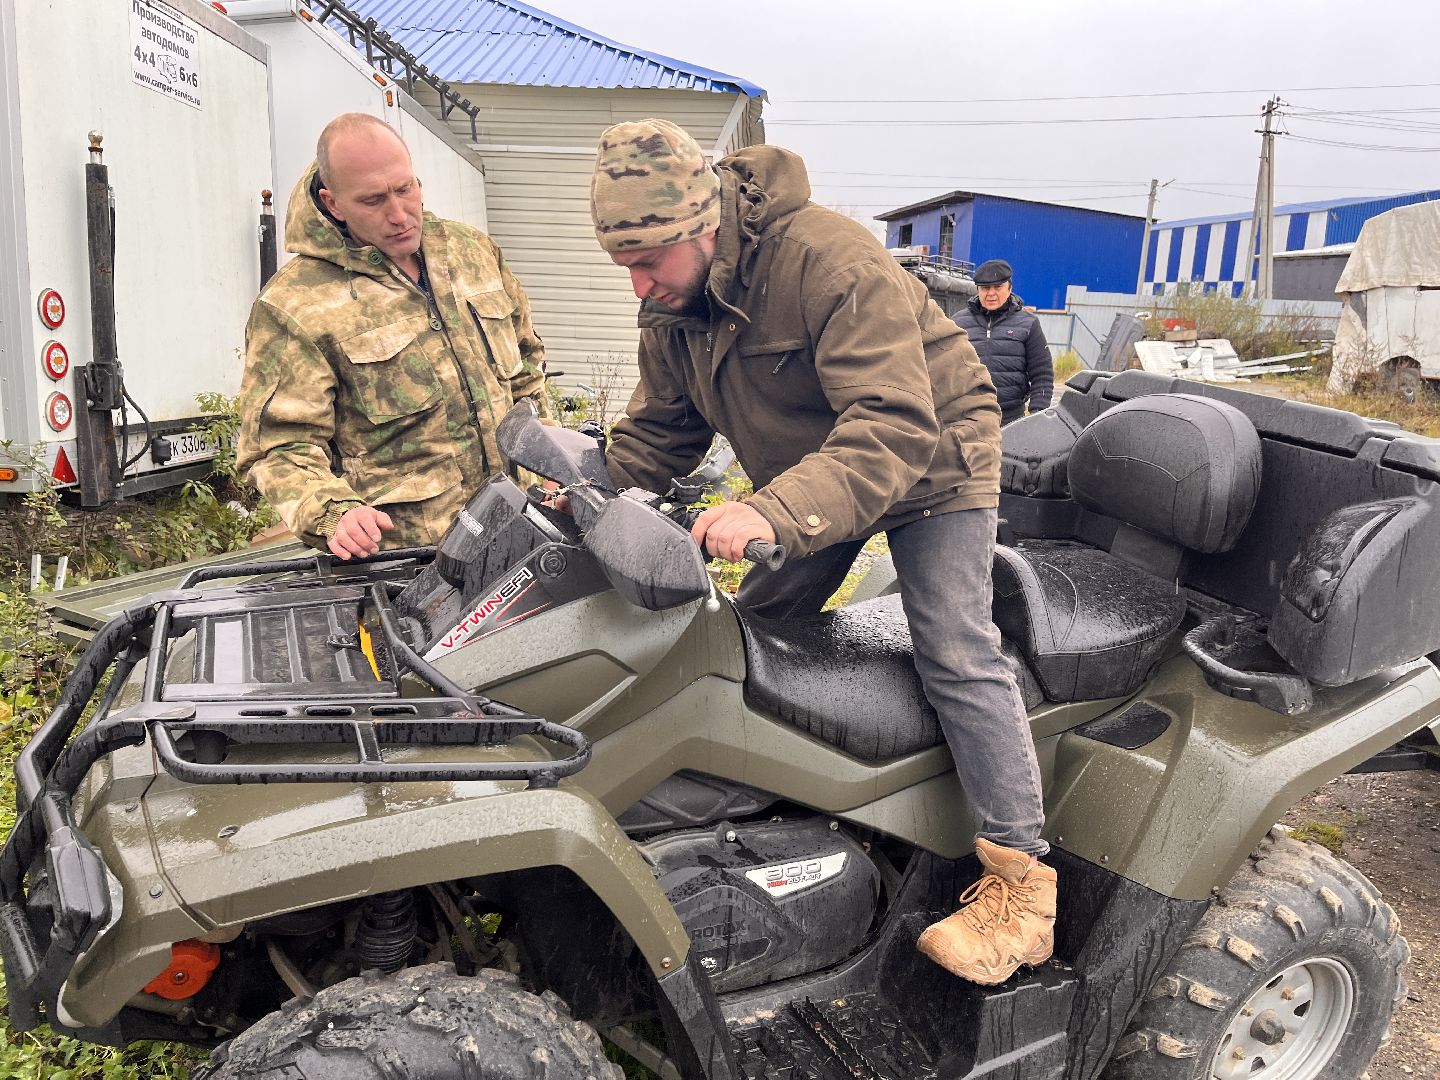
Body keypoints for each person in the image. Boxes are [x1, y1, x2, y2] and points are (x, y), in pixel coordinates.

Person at [590, 119, 1055, 986]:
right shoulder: (674, 302)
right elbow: (658, 434)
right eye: (625, 265)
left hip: (932, 456)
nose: (640, 284)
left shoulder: (829, 260)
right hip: (812, 474)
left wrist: (770, 511)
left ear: (704, 228)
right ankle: (776, 807)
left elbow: (891, 426)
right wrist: (585, 495)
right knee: (750, 634)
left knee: (954, 642)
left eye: (651, 261)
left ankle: (1022, 888)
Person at [237, 113, 552, 559]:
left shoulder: (472, 253)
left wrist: (553, 458)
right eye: (373, 200)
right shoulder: (294, 305)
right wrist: (334, 512)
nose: (400, 214)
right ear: (333, 203)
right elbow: (279, 446)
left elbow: (526, 375)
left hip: (524, 534)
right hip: (410, 563)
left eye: (406, 189)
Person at [954, 260, 1053, 425]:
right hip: (966, 419)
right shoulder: (957, 323)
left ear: (1009, 288)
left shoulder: (1028, 324)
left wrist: (1037, 415)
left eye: (998, 287)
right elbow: (942, 369)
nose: (991, 293)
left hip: (1010, 420)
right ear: (977, 289)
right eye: (985, 288)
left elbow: (1042, 374)